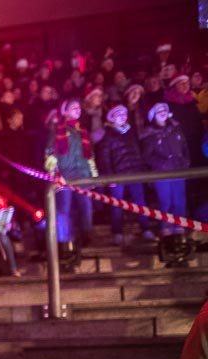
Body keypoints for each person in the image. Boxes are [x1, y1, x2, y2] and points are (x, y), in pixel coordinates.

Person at [45, 99, 98, 258]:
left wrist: (93, 174)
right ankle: (64, 240)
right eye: (73, 107)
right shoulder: (57, 130)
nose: (77, 109)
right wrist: (53, 174)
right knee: (64, 209)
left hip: (82, 173)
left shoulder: (83, 131)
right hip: (65, 174)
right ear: (65, 111)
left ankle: (87, 235)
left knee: (86, 207)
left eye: (78, 107)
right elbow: (49, 153)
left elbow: (90, 155)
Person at [96, 105, 154, 243]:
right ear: (112, 118)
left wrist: (142, 170)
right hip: (118, 175)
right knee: (117, 204)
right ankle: (117, 232)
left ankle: (145, 228)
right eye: (118, 114)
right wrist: (110, 177)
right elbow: (105, 158)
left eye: (124, 114)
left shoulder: (131, 132)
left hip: (134, 172)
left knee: (140, 201)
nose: (122, 116)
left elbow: (137, 152)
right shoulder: (108, 136)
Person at [142, 102, 190, 237]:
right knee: (165, 201)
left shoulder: (176, 128)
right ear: (153, 116)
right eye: (159, 111)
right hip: (162, 173)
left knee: (179, 200)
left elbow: (184, 147)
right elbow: (147, 156)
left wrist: (185, 162)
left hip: (178, 170)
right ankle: (166, 226)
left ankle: (179, 225)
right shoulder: (150, 134)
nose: (162, 112)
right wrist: (161, 164)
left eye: (164, 110)